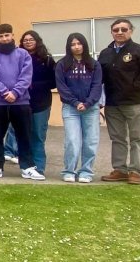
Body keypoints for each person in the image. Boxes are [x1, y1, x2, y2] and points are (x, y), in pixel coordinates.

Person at [98, 18, 140, 185]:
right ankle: (120, 169)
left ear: (130, 31)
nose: (119, 32)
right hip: (112, 103)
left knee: (137, 138)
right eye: (116, 29)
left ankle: (135, 171)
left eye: (123, 29)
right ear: (112, 32)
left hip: (135, 102)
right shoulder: (105, 53)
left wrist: (135, 86)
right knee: (117, 138)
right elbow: (99, 77)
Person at [0, 24, 43, 180]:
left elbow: (26, 76)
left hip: (20, 102)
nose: (4, 39)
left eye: (7, 35)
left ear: (13, 35)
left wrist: (15, 92)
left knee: (24, 136)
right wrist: (3, 92)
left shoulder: (23, 54)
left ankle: (27, 167)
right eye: (0, 36)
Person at [56, 33, 103, 183]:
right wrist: (75, 103)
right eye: (73, 44)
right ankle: (69, 170)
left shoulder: (94, 64)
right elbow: (62, 87)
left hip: (91, 108)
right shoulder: (62, 65)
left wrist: (88, 103)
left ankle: (86, 172)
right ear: (69, 47)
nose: (76, 47)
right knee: (72, 140)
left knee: (90, 141)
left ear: (84, 45)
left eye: (79, 43)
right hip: (71, 109)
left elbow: (97, 86)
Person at [19, 30, 56, 175]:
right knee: (23, 135)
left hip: (41, 103)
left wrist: (33, 84)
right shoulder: (18, 58)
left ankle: (39, 167)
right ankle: (26, 166)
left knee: (38, 136)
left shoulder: (46, 59)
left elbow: (53, 82)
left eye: (31, 39)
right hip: (21, 102)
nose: (28, 42)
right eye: (25, 40)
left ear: (37, 41)